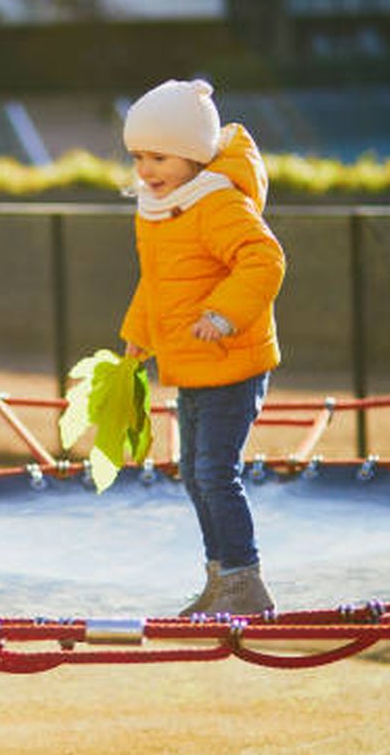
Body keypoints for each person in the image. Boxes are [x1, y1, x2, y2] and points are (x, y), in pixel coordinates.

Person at [119, 79, 285, 617]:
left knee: (216, 471)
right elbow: (160, 282)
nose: (147, 169)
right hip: (191, 364)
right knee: (194, 472)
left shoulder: (216, 203)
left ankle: (245, 581)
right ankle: (220, 578)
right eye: (139, 156)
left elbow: (264, 259)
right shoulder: (163, 207)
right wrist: (139, 334)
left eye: (160, 157)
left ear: (192, 154)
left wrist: (223, 314)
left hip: (233, 361)